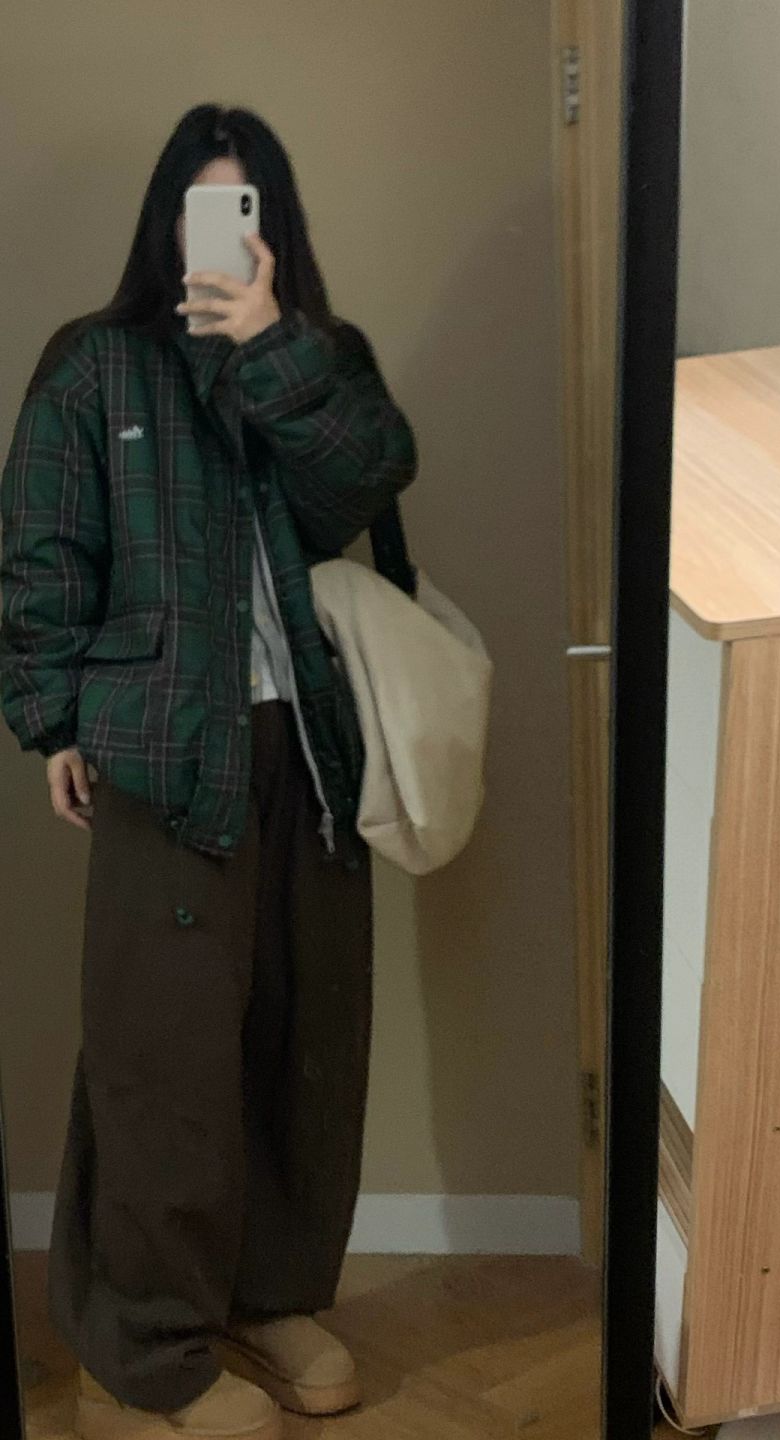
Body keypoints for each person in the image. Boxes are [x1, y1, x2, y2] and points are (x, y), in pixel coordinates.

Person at [0, 104, 417, 1440]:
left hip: (306, 751)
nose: (222, 242)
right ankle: (146, 1346)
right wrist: (53, 720)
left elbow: (368, 482)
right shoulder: (95, 365)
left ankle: (270, 1296)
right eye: (203, 212)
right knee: (162, 1057)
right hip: (157, 752)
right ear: (168, 223)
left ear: (275, 232)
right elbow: (41, 548)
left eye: (247, 213)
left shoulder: (320, 360)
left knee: (305, 1039)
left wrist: (272, 347)